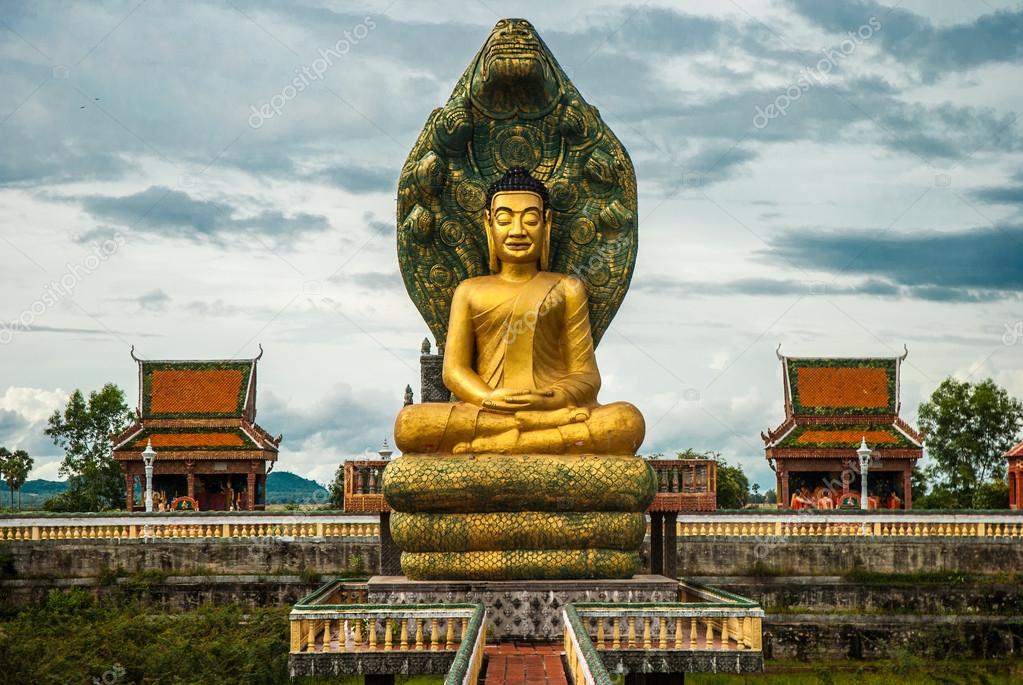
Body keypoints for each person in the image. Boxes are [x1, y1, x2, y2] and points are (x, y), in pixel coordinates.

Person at [394, 167, 644, 455]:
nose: (517, 231)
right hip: (490, 413)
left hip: (552, 410)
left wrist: (553, 398)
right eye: (504, 219)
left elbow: (586, 376)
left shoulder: (567, 288)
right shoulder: (469, 291)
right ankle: (528, 438)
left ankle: (505, 443)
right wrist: (488, 398)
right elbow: (454, 371)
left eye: (530, 219)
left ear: (546, 223)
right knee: (410, 424)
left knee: (626, 421)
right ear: (488, 224)